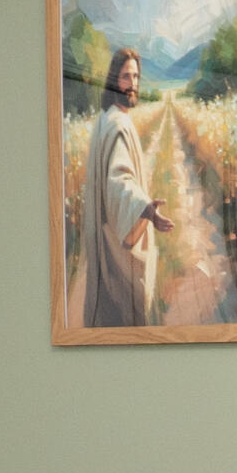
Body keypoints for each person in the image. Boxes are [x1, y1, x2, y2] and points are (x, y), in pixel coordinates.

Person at [79, 48, 171, 326]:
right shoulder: (118, 124)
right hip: (113, 236)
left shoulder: (106, 119)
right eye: (125, 76)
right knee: (125, 309)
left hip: (104, 229)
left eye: (136, 76)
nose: (132, 83)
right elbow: (119, 181)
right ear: (113, 80)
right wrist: (146, 210)